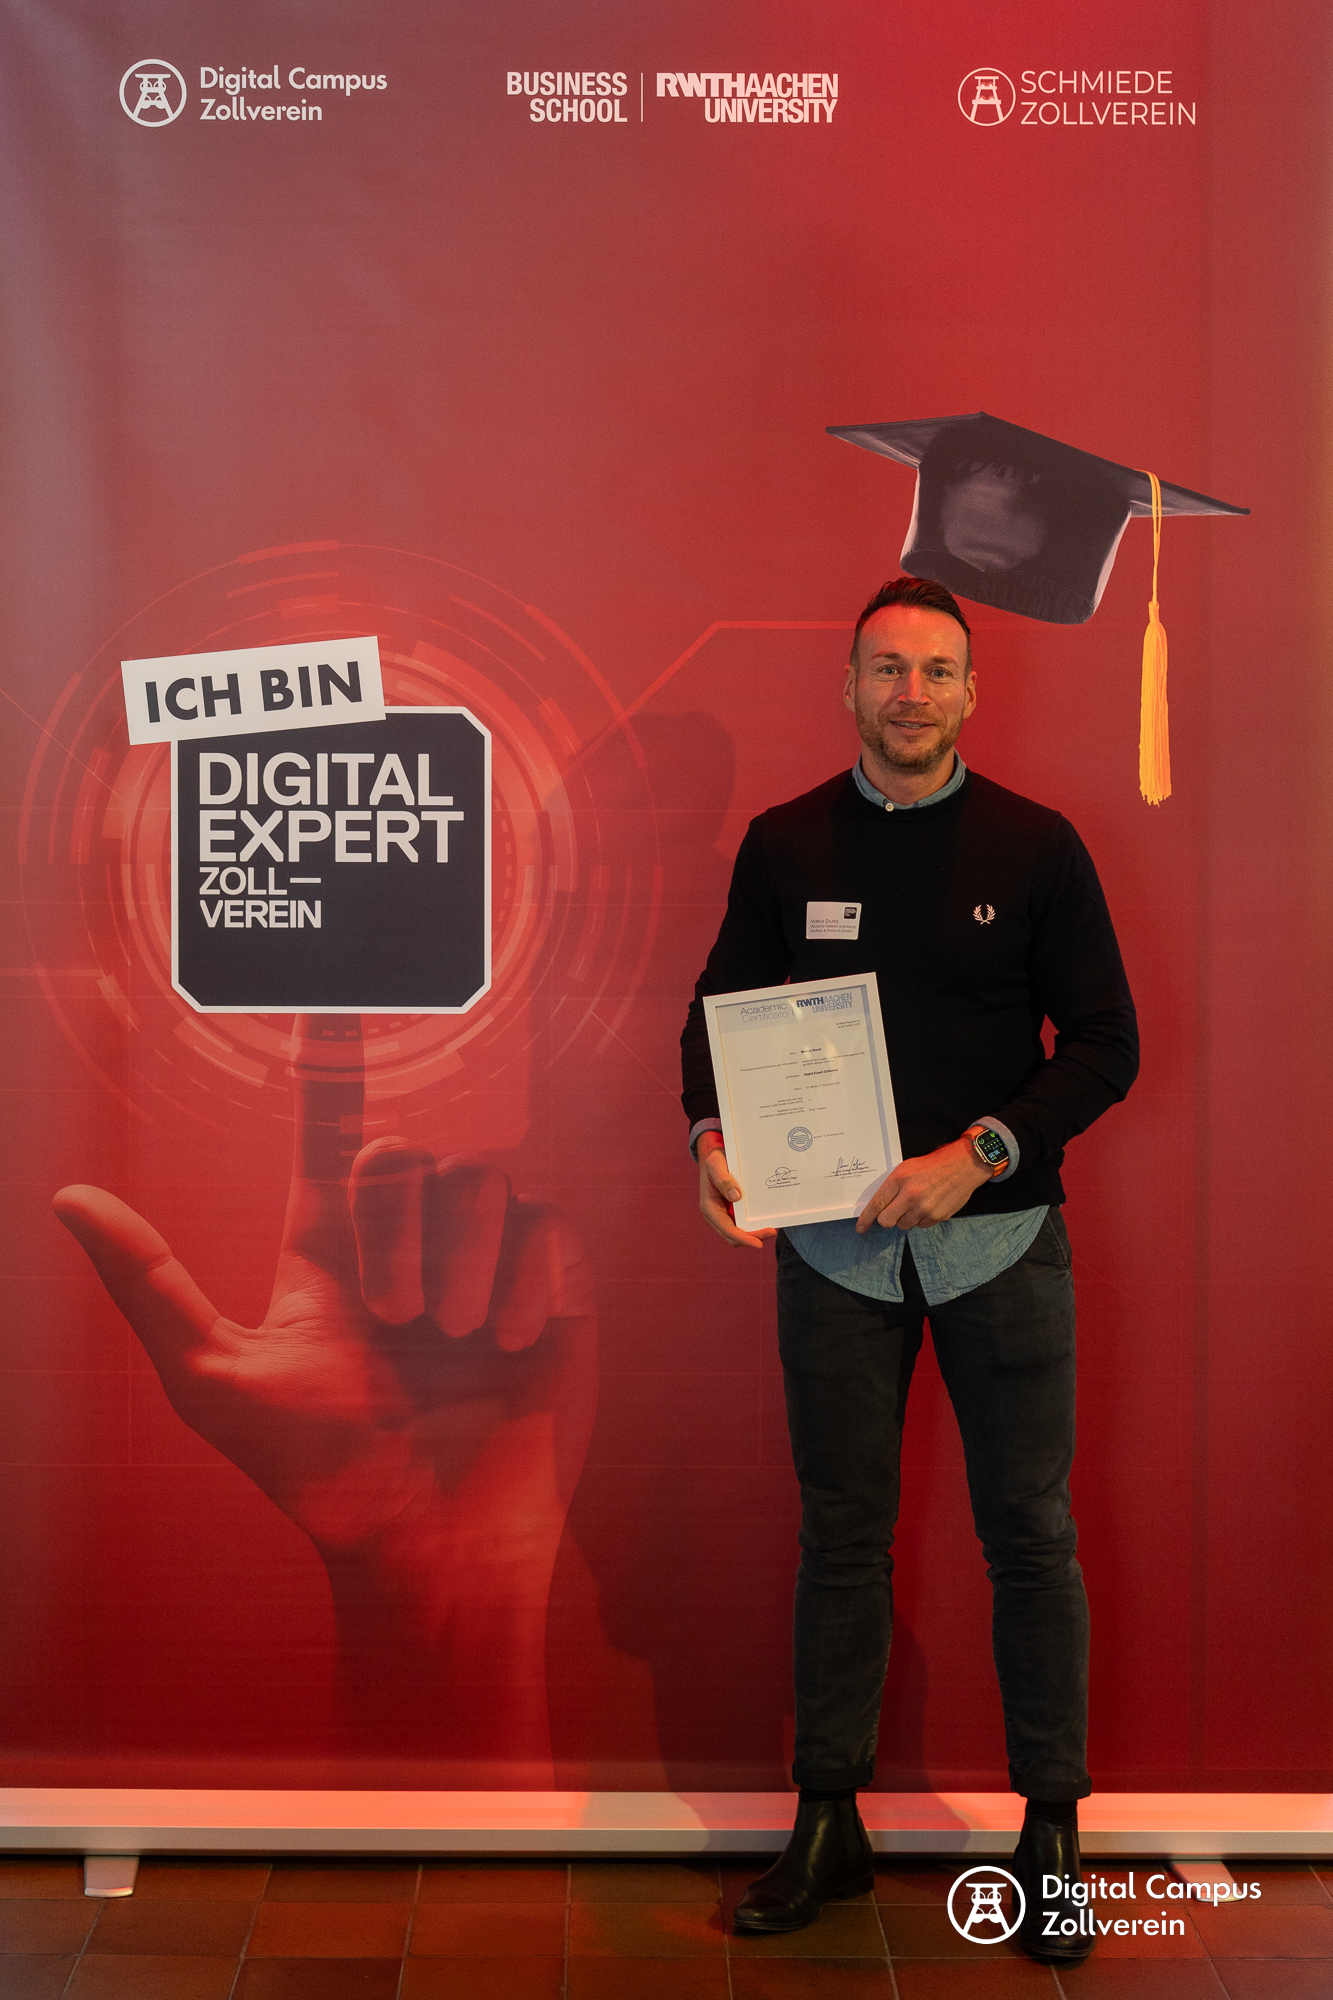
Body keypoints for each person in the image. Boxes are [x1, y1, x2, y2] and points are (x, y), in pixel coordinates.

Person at [679, 575, 1139, 1962]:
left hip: (1002, 1241)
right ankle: (828, 1818)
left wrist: (980, 1153)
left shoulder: (1037, 846)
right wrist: (710, 1137)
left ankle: (1050, 1836)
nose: (911, 695)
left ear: (971, 692)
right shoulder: (782, 843)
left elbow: (1106, 1044)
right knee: (840, 1538)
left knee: (1031, 1535)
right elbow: (715, 1021)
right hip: (832, 1253)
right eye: (887, 669)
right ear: (848, 686)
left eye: (937, 671)